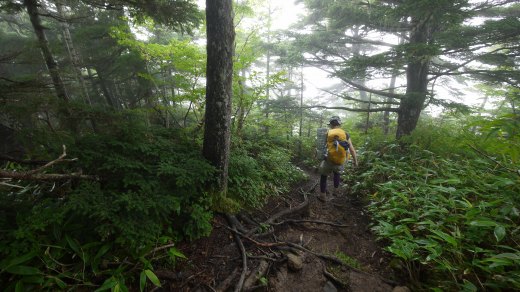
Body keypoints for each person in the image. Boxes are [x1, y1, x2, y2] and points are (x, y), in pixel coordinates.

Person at [318, 116, 358, 202]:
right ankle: (336, 191)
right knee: (337, 173)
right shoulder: (346, 134)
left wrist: (319, 156)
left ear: (331, 124)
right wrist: (355, 161)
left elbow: (321, 147)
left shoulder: (327, 132)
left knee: (323, 176)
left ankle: (322, 196)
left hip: (328, 159)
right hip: (341, 160)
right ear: (339, 124)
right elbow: (351, 149)